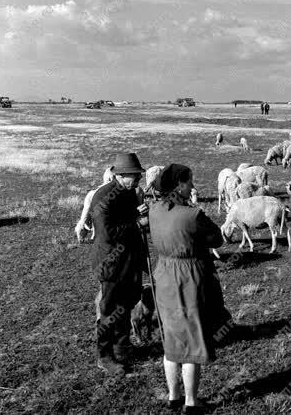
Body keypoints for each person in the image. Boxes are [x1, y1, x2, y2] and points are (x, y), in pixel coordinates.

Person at [149, 164, 230, 413]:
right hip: (189, 278)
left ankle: (174, 396)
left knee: (171, 338)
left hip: (162, 275)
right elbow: (217, 238)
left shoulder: (153, 210)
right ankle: (191, 403)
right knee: (193, 340)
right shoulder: (192, 215)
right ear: (178, 185)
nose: (193, 187)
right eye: (189, 182)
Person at [91, 152, 148, 377]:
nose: (138, 180)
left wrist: (138, 217)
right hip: (111, 263)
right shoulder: (103, 198)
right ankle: (104, 356)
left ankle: (122, 347)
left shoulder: (129, 193)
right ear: (120, 175)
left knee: (127, 303)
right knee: (108, 310)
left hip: (129, 261)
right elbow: (109, 234)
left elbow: (130, 223)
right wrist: (135, 219)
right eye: (134, 176)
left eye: (138, 176)